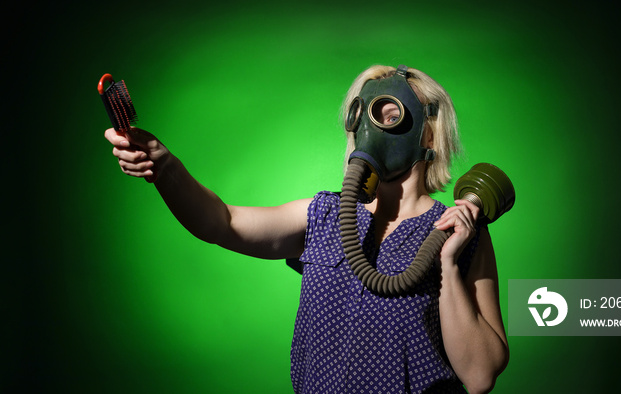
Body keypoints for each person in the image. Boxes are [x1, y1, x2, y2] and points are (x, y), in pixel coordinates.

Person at [104, 65, 509, 393]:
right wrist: (166, 166)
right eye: (360, 116)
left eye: (389, 116)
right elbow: (221, 223)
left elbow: (480, 376)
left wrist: (449, 264)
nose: (369, 131)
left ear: (428, 130)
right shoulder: (325, 216)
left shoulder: (457, 231)